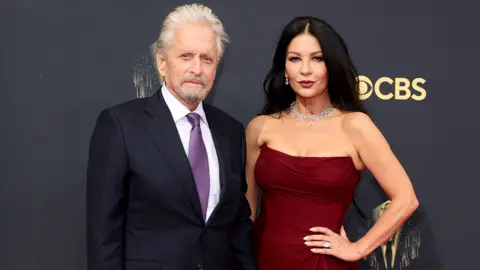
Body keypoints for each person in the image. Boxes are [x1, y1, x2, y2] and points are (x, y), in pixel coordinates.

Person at [86, 4, 256, 270]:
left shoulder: (230, 131)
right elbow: (104, 234)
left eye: (207, 59)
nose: (197, 69)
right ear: (162, 62)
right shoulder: (121, 126)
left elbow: (239, 226)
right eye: (186, 56)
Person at [245, 16, 419, 270]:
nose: (305, 70)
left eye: (317, 58)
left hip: (325, 263)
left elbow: (406, 199)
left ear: (332, 65)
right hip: (265, 259)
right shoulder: (260, 128)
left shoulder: (355, 126)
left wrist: (357, 248)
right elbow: (246, 211)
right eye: (295, 59)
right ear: (284, 68)